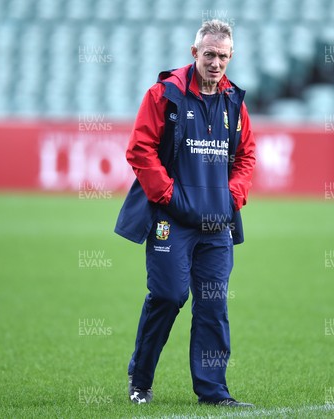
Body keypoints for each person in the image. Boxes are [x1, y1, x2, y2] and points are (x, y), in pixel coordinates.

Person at [114, 19, 256, 407]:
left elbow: (246, 156)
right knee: (168, 295)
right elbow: (139, 149)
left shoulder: (233, 101)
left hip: (216, 224)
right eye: (209, 55)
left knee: (213, 304)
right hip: (171, 220)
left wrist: (232, 197)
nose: (216, 63)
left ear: (231, 57)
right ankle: (140, 379)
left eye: (223, 56)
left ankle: (213, 392)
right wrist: (170, 195)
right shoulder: (165, 95)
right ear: (194, 53)